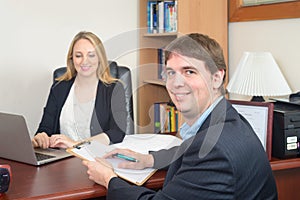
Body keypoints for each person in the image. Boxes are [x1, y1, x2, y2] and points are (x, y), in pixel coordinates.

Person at [83, 33, 278, 199]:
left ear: (217, 78)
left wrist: (109, 179)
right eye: (171, 72)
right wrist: (149, 160)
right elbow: (188, 152)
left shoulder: (214, 149)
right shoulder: (227, 119)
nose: (176, 83)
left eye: (189, 71)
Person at [32, 31, 127, 149]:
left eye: (91, 55)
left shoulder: (114, 89)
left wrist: (77, 145)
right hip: (62, 159)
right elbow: (45, 128)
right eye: (78, 55)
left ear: (100, 58)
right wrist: (41, 137)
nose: (84, 61)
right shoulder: (59, 88)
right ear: (72, 59)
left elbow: (117, 132)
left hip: (98, 158)